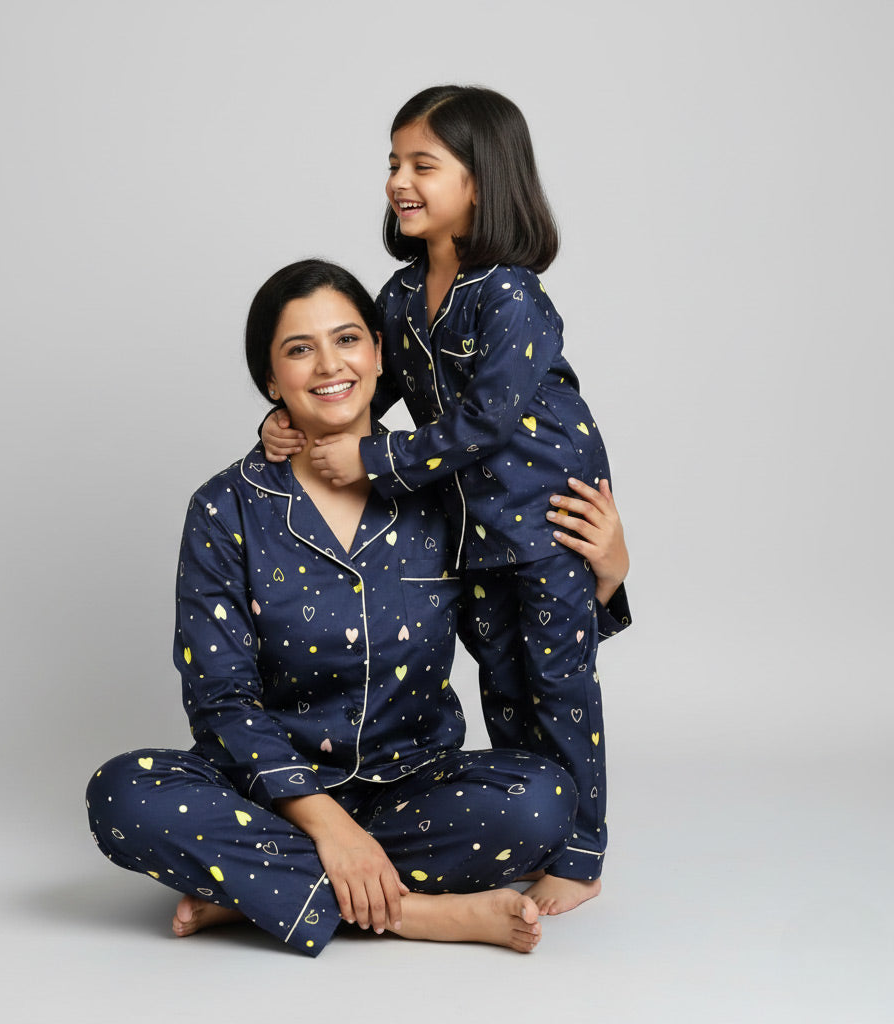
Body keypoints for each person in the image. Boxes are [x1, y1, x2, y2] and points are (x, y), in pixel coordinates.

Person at [87, 259, 622, 958]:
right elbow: (219, 699)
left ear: (378, 356)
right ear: (271, 381)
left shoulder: (444, 497)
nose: (328, 364)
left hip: (413, 790)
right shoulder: (226, 508)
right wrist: (328, 828)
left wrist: (607, 575)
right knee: (123, 794)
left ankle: (261, 892)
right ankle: (419, 914)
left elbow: (520, 642)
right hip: (271, 794)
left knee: (542, 800)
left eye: (347, 340)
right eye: (299, 349)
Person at [261, 86, 631, 917]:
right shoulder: (397, 297)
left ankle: (582, 849)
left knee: (560, 684)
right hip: (470, 539)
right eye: (394, 162)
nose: (400, 180)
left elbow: (486, 421)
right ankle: (540, 826)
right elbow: (370, 389)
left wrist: (373, 458)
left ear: (482, 180)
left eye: (423, 164)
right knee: (505, 688)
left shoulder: (511, 295)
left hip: (547, 529)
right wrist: (287, 417)